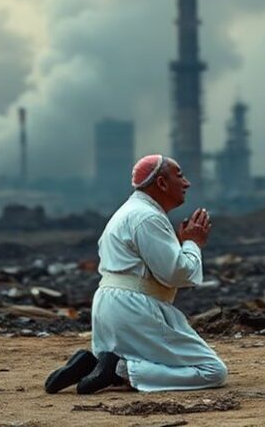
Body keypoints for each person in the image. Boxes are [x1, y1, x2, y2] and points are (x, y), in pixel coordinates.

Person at [44, 154, 227, 394]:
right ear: (161, 183)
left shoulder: (128, 212)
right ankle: (119, 370)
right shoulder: (148, 217)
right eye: (180, 176)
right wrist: (192, 243)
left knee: (148, 359)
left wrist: (181, 244)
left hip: (109, 306)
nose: (187, 183)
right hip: (134, 308)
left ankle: (93, 365)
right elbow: (176, 274)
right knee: (212, 370)